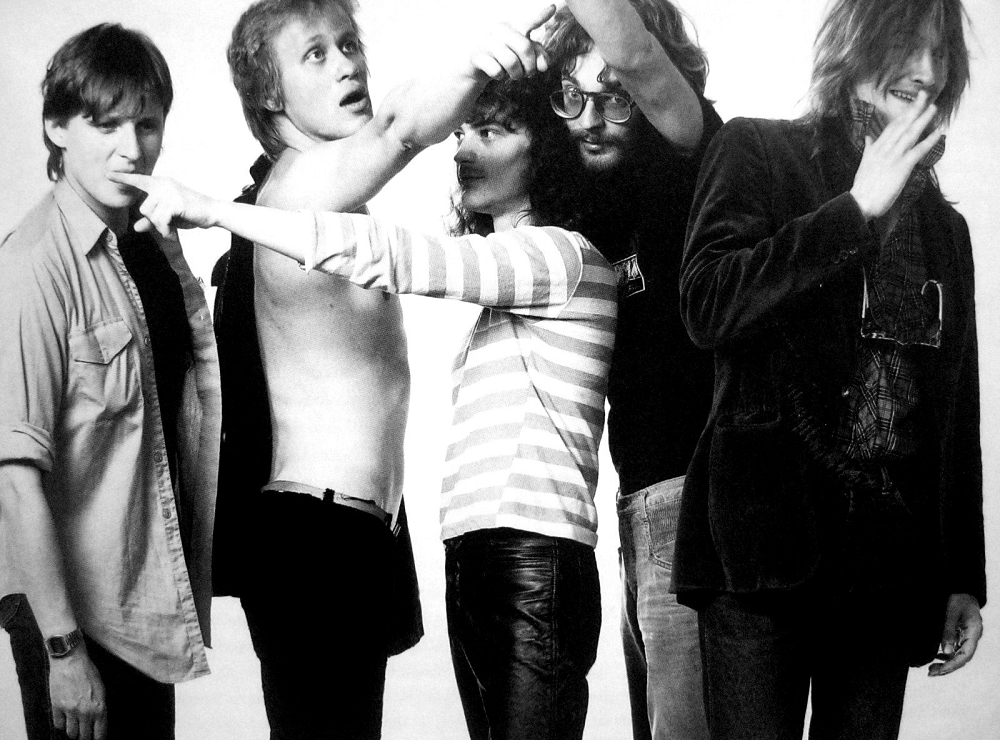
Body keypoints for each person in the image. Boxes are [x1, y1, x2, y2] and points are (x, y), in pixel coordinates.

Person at [114, 71, 618, 740]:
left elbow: (393, 257)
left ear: (545, 150)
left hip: (534, 563)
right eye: (462, 134)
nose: (464, 150)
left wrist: (217, 212)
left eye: (491, 132)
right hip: (480, 558)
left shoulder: (562, 257)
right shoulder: (516, 288)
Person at [206, 1, 553, 737]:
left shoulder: (336, 202)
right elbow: (399, 129)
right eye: (316, 54)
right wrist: (478, 58)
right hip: (313, 539)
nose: (348, 64)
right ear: (270, 94)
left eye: (348, 44)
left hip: (351, 535)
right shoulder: (296, 191)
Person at [675, 0, 985, 737]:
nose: (927, 70)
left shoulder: (946, 230)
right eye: (907, 44)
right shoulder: (757, 150)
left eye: (941, 53)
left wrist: (963, 577)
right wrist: (855, 211)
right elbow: (708, 305)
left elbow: (955, 408)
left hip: (886, 567)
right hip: (760, 553)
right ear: (854, 46)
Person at [0, 23, 220, 740]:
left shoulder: (149, 248)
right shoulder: (33, 264)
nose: (132, 149)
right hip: (71, 615)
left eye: (147, 125)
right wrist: (63, 651)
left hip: (141, 593)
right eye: (106, 124)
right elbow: (14, 477)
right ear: (56, 127)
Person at [543, 2, 721, 737]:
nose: (589, 119)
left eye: (614, 97)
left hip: (690, 503)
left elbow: (642, 57)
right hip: (634, 508)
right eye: (572, 95)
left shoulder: (689, 159)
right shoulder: (586, 208)